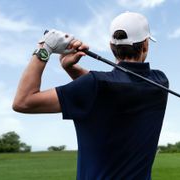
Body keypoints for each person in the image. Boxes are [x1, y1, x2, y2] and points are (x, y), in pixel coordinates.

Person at [13, 12, 168, 179]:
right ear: (145, 45)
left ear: (111, 46)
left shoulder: (94, 86)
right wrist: (71, 69)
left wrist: (45, 47)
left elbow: (24, 101)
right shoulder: (160, 82)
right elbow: (109, 90)